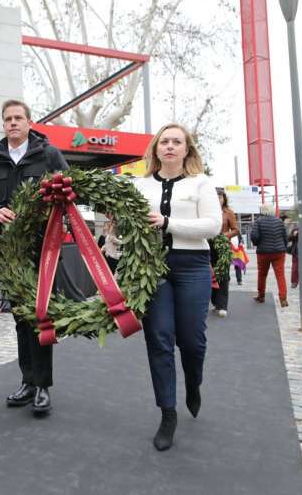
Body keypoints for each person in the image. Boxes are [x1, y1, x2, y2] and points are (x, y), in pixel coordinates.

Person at [0, 99, 68, 416]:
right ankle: (27, 381)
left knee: (41, 317)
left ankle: (42, 387)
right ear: (3, 123)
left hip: (43, 249)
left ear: (28, 122)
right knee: (21, 319)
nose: (12, 123)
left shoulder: (48, 154)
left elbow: (69, 190)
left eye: (18, 118)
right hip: (9, 252)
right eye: (7, 119)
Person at [133, 122, 221, 451]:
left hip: (192, 265)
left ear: (187, 149)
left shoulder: (201, 184)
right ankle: (167, 413)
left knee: (192, 341)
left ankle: (194, 383)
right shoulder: (140, 185)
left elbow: (212, 226)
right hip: (152, 267)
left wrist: (169, 223)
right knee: (159, 338)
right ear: (156, 149)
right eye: (164, 142)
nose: (170, 146)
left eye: (177, 142)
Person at [250, 204, 288, 306]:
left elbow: (254, 236)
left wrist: (256, 243)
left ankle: (261, 296)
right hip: (279, 253)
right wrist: (283, 247)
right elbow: (285, 236)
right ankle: (283, 299)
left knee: (262, 274)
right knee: (280, 275)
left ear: (262, 211)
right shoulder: (279, 221)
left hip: (263, 252)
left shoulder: (258, 221)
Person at [211, 189, 238, 317]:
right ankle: (215, 302)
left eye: (220, 197)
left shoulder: (228, 213)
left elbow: (236, 230)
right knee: (210, 275)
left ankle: (222, 306)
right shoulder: (207, 211)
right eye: (216, 197)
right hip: (209, 246)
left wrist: (224, 235)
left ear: (224, 199)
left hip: (223, 247)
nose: (218, 199)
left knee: (223, 276)